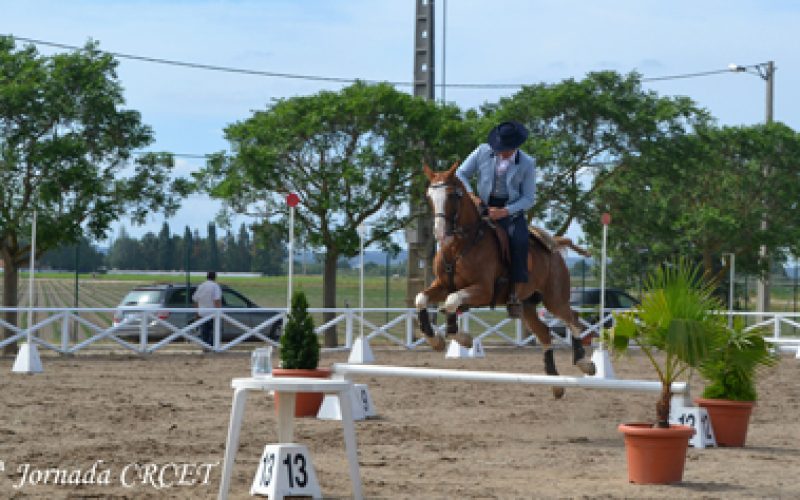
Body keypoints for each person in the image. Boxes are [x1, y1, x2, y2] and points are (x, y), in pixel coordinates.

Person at [455, 121, 536, 318]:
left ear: (516, 146)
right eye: (499, 149)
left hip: (511, 212)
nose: (502, 153)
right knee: (455, 233)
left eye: (506, 150)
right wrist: (472, 195)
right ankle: (454, 280)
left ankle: (515, 294)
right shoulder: (482, 151)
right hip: (481, 207)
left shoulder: (528, 163)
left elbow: (529, 198)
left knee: (520, 241)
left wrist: (505, 211)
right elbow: (461, 173)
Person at [192, 271, 222, 349]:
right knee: (212, 331)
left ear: (207, 277)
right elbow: (217, 300)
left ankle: (205, 347)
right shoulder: (215, 286)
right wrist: (218, 311)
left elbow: (195, 299)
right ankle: (212, 347)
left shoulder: (201, 286)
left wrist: (197, 312)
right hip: (212, 312)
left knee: (204, 331)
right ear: (215, 277)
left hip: (202, 312)